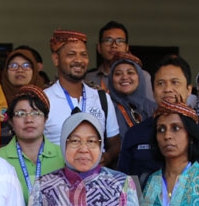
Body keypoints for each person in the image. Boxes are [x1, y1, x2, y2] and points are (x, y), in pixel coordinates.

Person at [118, 55, 199, 178]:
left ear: (189, 89)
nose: (168, 89)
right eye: (161, 83)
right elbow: (125, 183)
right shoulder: (135, 135)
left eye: (175, 82)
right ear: (153, 91)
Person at [43, 30, 121, 165]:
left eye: (83, 55)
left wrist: (106, 157)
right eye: (71, 54)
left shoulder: (102, 98)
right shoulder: (43, 99)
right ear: (56, 59)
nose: (79, 60)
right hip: (57, 179)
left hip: (95, 179)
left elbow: (115, 143)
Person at [105, 53, 156, 140]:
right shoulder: (105, 107)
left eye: (130, 72)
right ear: (111, 79)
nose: (124, 77)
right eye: (118, 74)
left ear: (139, 77)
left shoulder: (153, 108)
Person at [86, 20, 129, 90]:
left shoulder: (140, 77)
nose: (114, 45)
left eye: (120, 41)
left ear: (127, 48)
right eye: (108, 41)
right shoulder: (88, 78)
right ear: (99, 48)